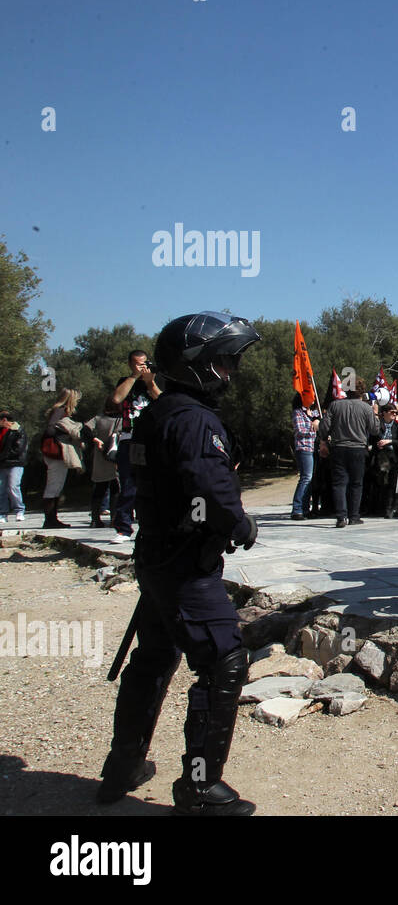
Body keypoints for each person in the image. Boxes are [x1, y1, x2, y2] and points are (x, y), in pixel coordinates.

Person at [97, 310, 262, 814]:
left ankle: (121, 767)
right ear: (200, 365)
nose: (230, 373)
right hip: (186, 565)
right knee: (223, 661)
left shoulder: (157, 412)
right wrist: (239, 525)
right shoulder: (193, 418)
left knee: (152, 660)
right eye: (224, 363)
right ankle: (199, 787)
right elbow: (209, 488)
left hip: (157, 557)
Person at [110, 350, 163, 543]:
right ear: (130, 364)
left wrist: (150, 382)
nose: (141, 367)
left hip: (151, 439)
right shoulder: (126, 382)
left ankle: (153, 525)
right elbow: (116, 399)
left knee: (153, 484)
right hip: (129, 438)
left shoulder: (154, 381)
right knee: (128, 485)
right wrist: (134, 377)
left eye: (144, 363)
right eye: (137, 364)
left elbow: (164, 402)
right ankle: (123, 528)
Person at [321, 389, 381, 527]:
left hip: (338, 448)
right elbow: (374, 430)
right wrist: (375, 413)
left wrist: (324, 440)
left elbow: (324, 427)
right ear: (361, 392)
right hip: (358, 449)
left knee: (339, 483)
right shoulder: (366, 407)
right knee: (356, 483)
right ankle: (354, 516)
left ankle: (341, 517)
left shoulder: (335, 405)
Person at [42, 388, 85, 529]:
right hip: (57, 454)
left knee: (56, 486)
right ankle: (50, 520)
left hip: (55, 454)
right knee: (54, 486)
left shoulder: (57, 411)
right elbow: (50, 429)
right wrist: (65, 430)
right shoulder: (60, 411)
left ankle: (52, 519)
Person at [81, 399, 124, 528]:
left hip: (100, 457)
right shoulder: (122, 420)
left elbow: (84, 430)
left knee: (99, 488)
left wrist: (96, 440)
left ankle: (95, 519)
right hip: (116, 456)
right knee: (115, 488)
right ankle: (114, 519)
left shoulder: (98, 419)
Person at [290, 394, 317, 521]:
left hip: (312, 448)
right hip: (304, 448)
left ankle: (305, 508)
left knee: (309, 479)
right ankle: (297, 509)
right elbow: (300, 430)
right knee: (306, 478)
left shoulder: (310, 413)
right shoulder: (297, 413)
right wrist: (314, 428)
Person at [0, 411, 28, 524]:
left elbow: (18, 449)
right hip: (2, 464)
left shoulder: (18, 431)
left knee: (13, 487)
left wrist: (2, 456)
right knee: (1, 489)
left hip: (15, 463)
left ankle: (19, 510)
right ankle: (2, 513)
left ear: (4, 420)